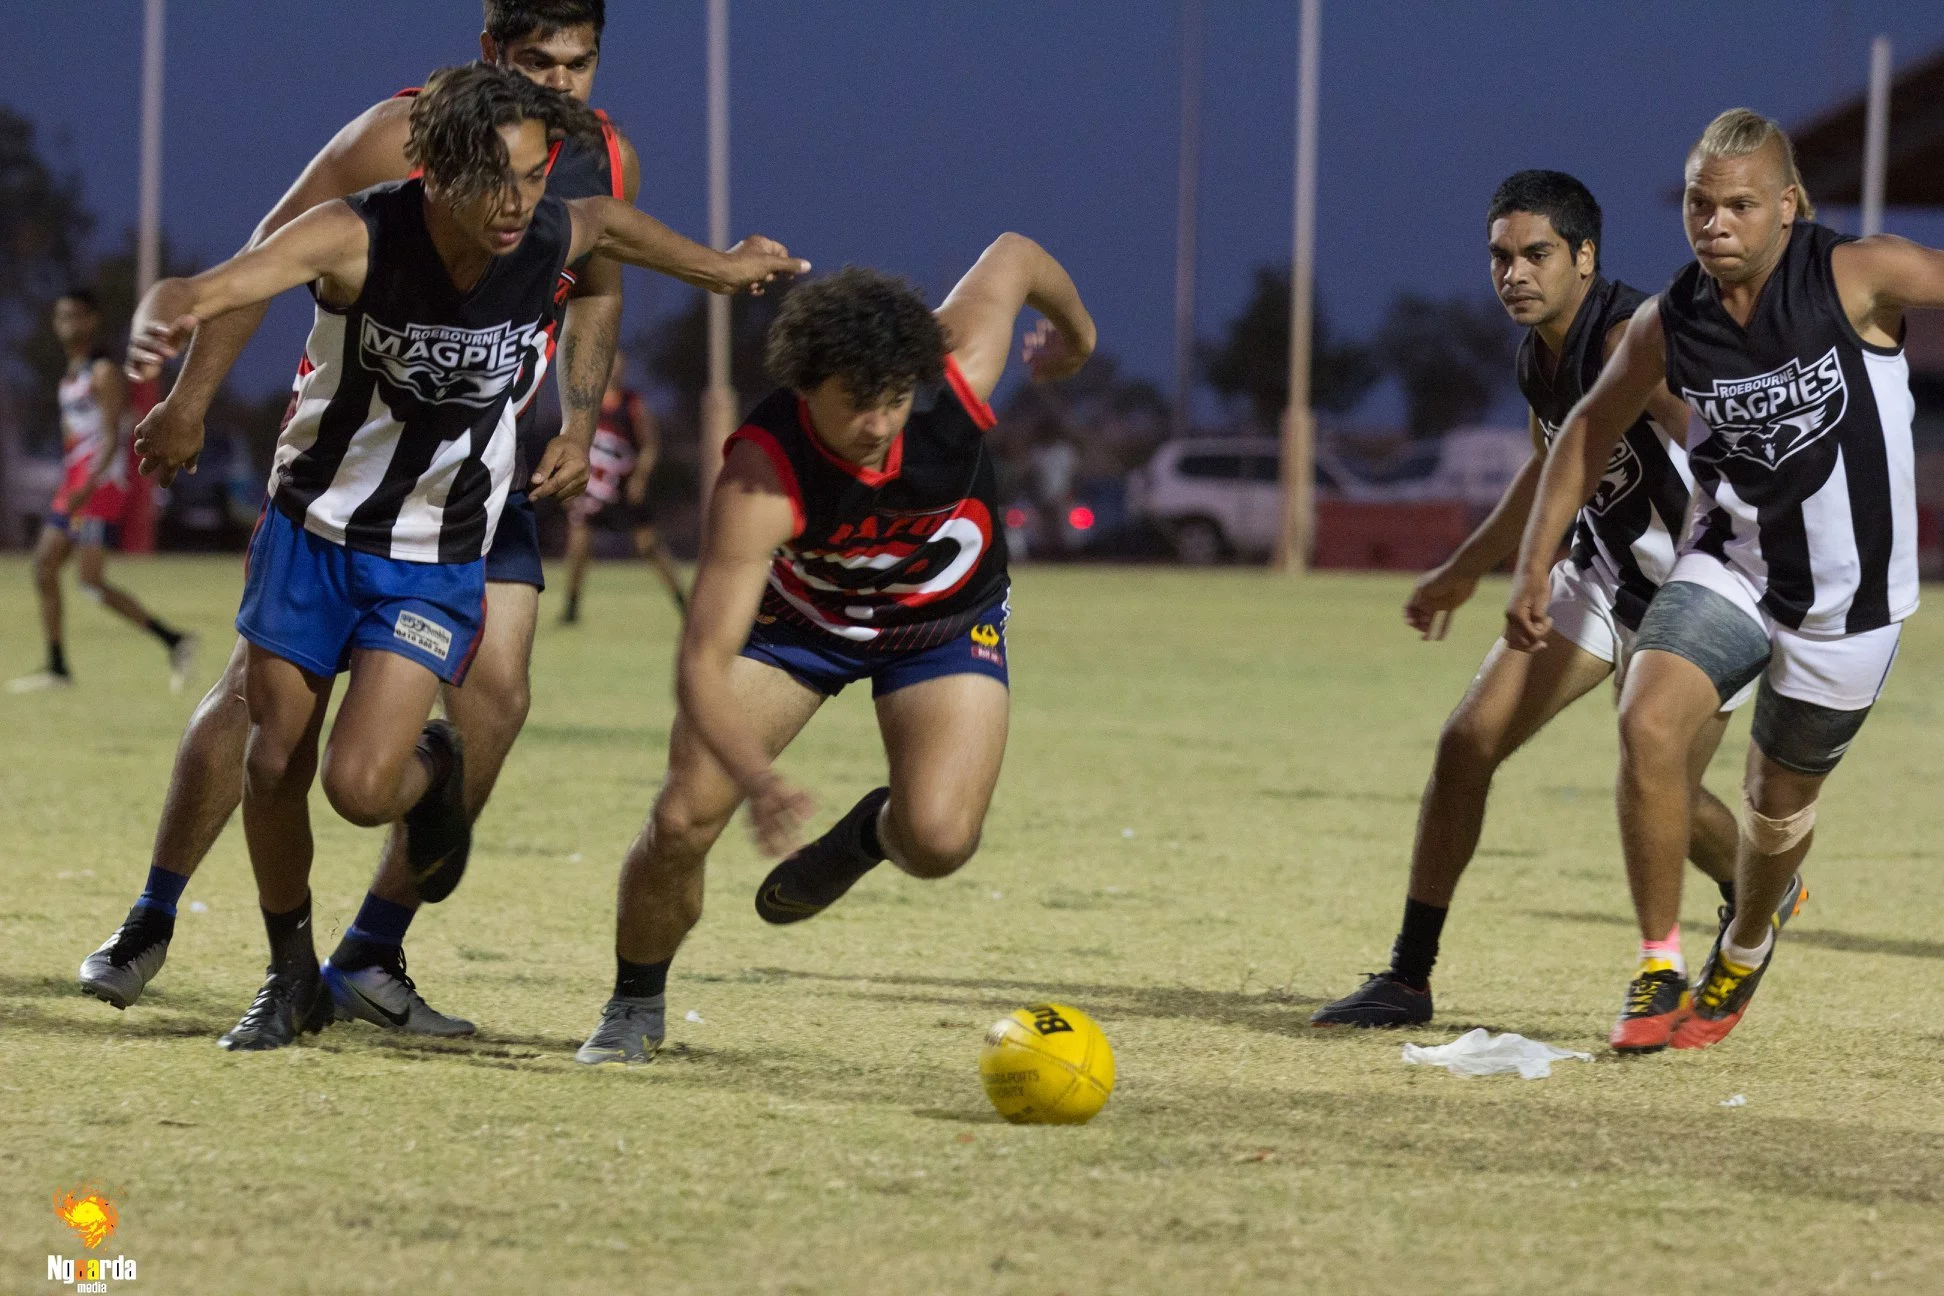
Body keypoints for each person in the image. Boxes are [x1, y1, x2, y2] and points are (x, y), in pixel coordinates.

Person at [122, 62, 806, 1051]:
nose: (519, 202)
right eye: (498, 180)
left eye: (534, 177)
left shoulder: (542, 236)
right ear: (436, 171)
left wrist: (725, 267)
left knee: (361, 787)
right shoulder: (357, 236)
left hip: (433, 549)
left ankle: (432, 779)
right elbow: (233, 276)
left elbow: (611, 226)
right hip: (311, 530)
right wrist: (171, 306)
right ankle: (288, 977)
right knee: (274, 760)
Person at [79, 0, 638, 1032]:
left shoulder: (600, 159)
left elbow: (597, 286)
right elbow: (273, 249)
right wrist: (192, 398)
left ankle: (371, 955)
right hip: (355, 467)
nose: (557, 84)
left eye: (579, 63)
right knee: (261, 709)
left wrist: (580, 420)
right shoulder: (399, 133)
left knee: (496, 699)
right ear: (487, 55)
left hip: (482, 472)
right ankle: (154, 916)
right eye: (534, 60)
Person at [573, 237, 1095, 1064]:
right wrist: (756, 778)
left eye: (894, 399)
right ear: (807, 385)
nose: (880, 425)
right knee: (680, 820)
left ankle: (864, 838)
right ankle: (634, 1001)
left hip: (943, 626)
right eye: (857, 404)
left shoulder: (956, 370)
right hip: (802, 630)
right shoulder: (762, 474)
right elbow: (701, 661)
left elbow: (1016, 257)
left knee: (939, 843)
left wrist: (1078, 336)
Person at [1311, 172, 1802, 1048]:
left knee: (1671, 796)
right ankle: (1407, 974)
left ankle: (1759, 886)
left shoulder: (1628, 335)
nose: (1514, 274)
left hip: (1703, 586)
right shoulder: (1539, 350)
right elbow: (1553, 466)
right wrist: (1471, 568)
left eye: (1536, 254)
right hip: (1609, 575)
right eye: (1500, 257)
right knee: (1466, 745)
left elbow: (1711, 428)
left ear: (1586, 257)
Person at [1506, 109, 1936, 1051]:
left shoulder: (1861, 274)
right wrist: (1533, 565)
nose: (1716, 223)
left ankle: (1744, 941)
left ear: (1788, 205)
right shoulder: (1673, 321)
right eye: (1701, 204)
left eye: (1740, 204)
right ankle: (1657, 966)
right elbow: (1584, 427)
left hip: (1851, 607)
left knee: (1776, 814)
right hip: (1733, 565)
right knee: (1646, 721)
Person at [7, 290, 195, 696]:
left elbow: (113, 436)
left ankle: (174, 641)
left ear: (92, 321)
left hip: (99, 487)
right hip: (74, 488)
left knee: (89, 583)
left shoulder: (103, 372)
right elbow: (75, 436)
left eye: (74, 316)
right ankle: (57, 666)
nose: (66, 324)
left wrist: (87, 486)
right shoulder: (71, 374)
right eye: (60, 317)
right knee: (43, 568)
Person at [560, 352, 687, 622]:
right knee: (578, 545)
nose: (615, 370)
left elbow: (650, 445)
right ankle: (571, 608)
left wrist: (640, 477)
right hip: (593, 489)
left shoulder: (632, 405)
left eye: (620, 365)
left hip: (625, 489)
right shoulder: (586, 404)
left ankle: (683, 602)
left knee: (649, 546)